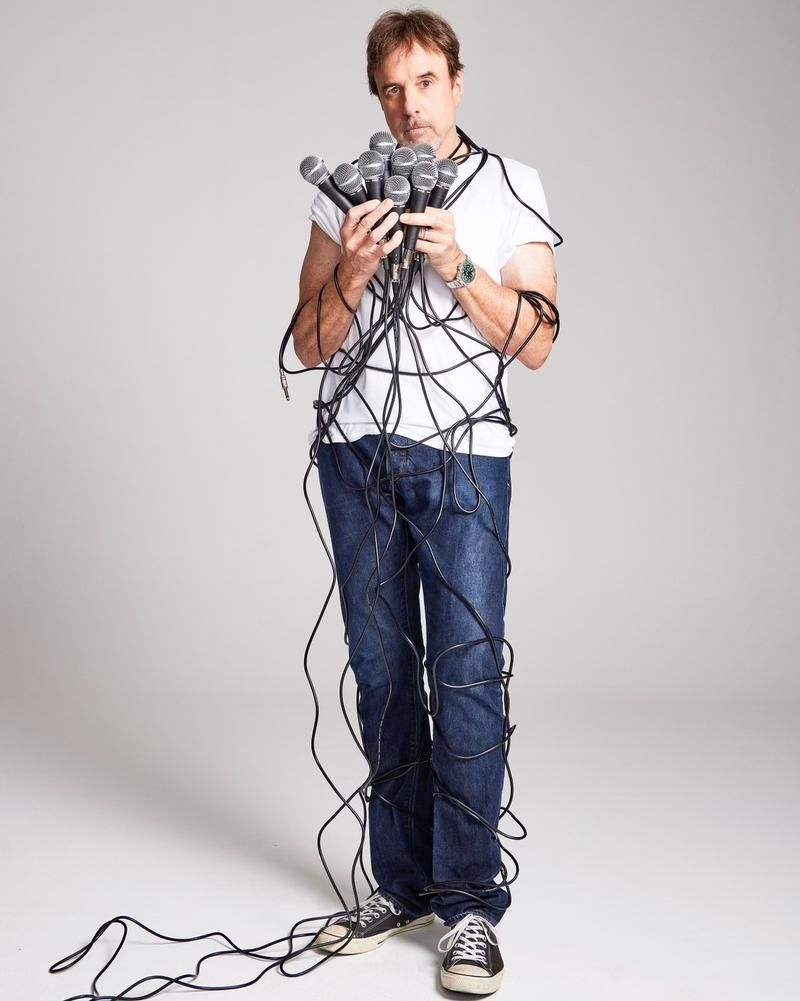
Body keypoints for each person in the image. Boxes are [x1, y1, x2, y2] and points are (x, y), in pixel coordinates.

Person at [290, 8, 559, 995]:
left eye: (426, 82)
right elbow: (307, 342)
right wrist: (357, 268)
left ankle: (469, 903)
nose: (410, 105)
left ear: (457, 80)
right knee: (383, 674)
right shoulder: (345, 197)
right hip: (355, 457)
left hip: (464, 461)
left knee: (468, 675)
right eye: (392, 89)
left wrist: (458, 265)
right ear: (378, 97)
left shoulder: (511, 186)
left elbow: (539, 340)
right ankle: (401, 884)